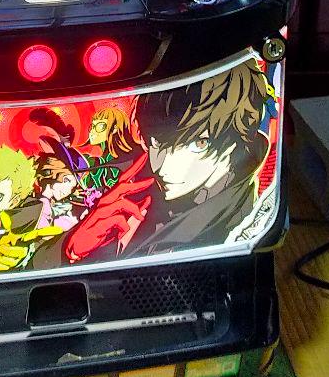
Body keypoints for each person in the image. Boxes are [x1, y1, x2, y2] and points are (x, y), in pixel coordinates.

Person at [64, 59, 272, 263]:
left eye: (199, 144)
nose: (163, 167)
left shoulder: (241, 225)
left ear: (235, 141)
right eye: (157, 142)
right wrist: (72, 253)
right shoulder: (141, 186)